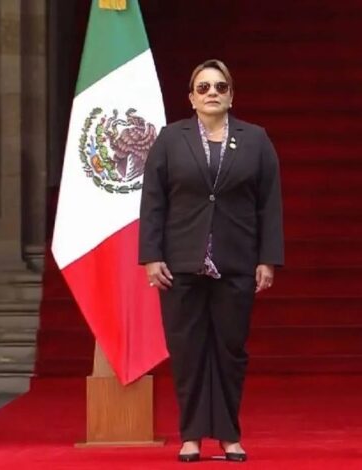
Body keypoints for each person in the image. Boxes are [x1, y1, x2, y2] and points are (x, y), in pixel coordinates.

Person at [139, 59, 284, 463]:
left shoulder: (255, 139)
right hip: (180, 263)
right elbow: (153, 202)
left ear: (231, 94)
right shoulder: (170, 139)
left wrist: (267, 259)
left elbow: (269, 204)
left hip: (236, 261)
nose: (212, 93)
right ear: (191, 97)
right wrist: (151, 256)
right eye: (203, 88)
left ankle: (228, 434)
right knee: (187, 351)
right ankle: (190, 435)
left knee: (230, 351)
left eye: (220, 87)